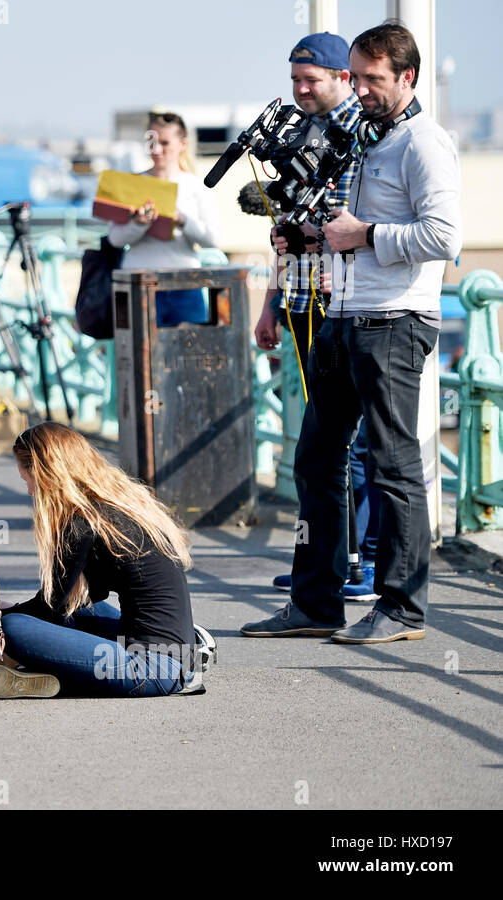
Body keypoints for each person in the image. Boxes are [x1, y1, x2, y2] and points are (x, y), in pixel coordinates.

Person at [242, 22, 462, 644]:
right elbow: (348, 229)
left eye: (373, 79)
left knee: (393, 466)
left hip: (393, 321)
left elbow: (444, 238)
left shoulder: (425, 142)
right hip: (340, 316)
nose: (361, 89)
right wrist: (312, 238)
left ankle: (402, 610)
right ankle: (315, 603)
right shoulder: (367, 136)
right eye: (357, 77)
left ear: (407, 78)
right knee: (315, 460)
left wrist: (362, 235)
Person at [251, 33, 379, 603]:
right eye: (295, 81)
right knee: (320, 441)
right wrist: (271, 302)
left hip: (346, 300)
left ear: (343, 79)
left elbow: (351, 224)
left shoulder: (359, 134)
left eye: (313, 81)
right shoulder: (301, 134)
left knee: (360, 442)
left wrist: (315, 241)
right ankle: (331, 557)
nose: (301, 91)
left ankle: (366, 561)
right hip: (303, 299)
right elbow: (289, 231)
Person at [0, 422, 211, 699]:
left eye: (27, 478)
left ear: (46, 474)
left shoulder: (82, 522)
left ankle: (50, 673)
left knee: (13, 628)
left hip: (150, 669)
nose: (30, 490)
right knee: (80, 609)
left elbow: (48, 609)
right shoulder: (118, 509)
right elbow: (70, 602)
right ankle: (46, 670)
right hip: (178, 658)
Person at [106, 111, 220, 327]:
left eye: (165, 142)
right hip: (140, 283)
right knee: (142, 358)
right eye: (152, 141)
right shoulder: (132, 184)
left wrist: (181, 219)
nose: (156, 149)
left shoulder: (196, 186)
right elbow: (115, 239)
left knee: (189, 355)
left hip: (184, 285)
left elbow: (212, 239)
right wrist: (139, 224)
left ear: (183, 144)